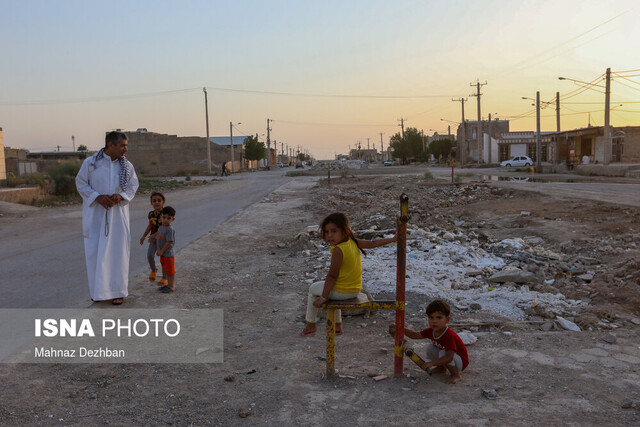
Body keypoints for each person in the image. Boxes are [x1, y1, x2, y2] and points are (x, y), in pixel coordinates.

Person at [300, 212, 396, 337]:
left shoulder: (338, 250)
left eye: (334, 231)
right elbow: (373, 244)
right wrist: (393, 239)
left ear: (344, 230)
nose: (329, 236)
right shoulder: (353, 241)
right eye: (327, 232)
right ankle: (338, 326)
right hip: (355, 289)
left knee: (313, 289)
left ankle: (311, 325)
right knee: (331, 288)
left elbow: (332, 276)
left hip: (344, 291)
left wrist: (323, 298)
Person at [76, 131, 139, 305]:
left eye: (126, 145)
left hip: (118, 217)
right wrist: (97, 196)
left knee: (118, 253)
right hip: (96, 216)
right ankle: (98, 293)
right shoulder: (90, 164)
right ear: (110, 145)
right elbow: (80, 183)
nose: (125, 149)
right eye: (122, 145)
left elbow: (133, 186)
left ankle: (118, 292)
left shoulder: (127, 166)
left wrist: (121, 197)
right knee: (95, 254)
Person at [389, 299, 469, 383]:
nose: (434, 321)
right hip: (451, 357)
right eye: (431, 317)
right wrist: (399, 327)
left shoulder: (449, 335)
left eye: (439, 317)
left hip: (461, 361)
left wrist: (431, 363)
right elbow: (415, 335)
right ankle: (442, 368)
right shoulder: (431, 331)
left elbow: (449, 357)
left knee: (443, 353)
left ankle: (456, 375)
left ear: (447, 319)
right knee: (431, 348)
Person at [139, 192, 166, 284]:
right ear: (151, 203)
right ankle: (154, 270)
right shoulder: (151, 214)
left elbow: (165, 228)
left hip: (163, 240)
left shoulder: (165, 214)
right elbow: (150, 225)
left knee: (164, 258)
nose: (157, 202)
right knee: (150, 255)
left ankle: (165, 277)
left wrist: (154, 236)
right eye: (154, 201)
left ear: (163, 202)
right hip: (153, 240)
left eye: (159, 200)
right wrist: (144, 236)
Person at [155, 206, 176, 293]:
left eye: (168, 218)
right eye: (164, 217)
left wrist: (161, 251)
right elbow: (157, 239)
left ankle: (171, 286)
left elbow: (169, 242)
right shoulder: (160, 228)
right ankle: (167, 285)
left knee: (170, 270)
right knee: (166, 269)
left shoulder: (169, 229)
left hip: (168, 254)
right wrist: (158, 250)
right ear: (161, 217)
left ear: (172, 219)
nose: (166, 220)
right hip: (162, 254)